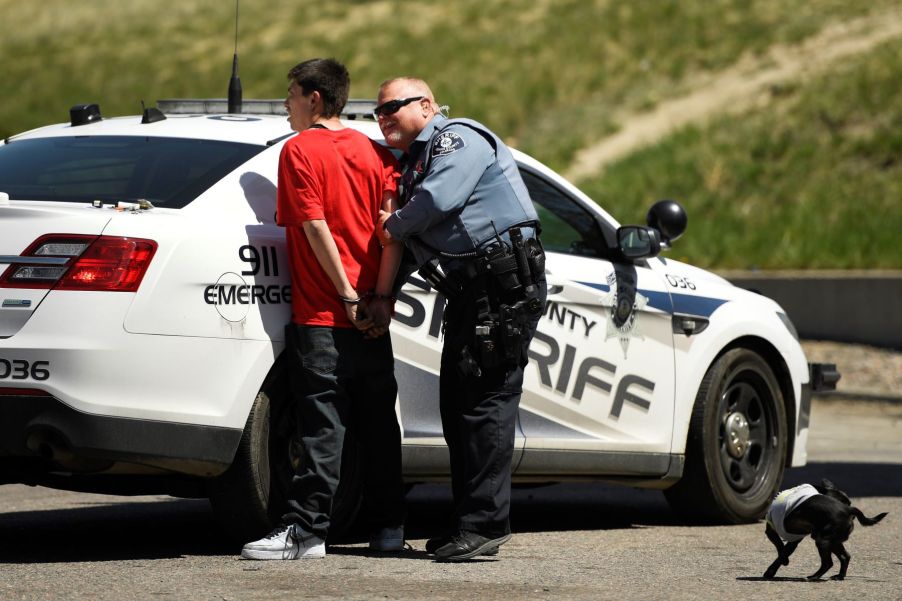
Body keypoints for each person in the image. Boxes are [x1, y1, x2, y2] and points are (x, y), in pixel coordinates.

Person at [374, 77, 547, 561]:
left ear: (426, 106)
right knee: (459, 404)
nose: (383, 116)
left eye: (392, 106)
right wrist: (382, 296)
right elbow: (414, 244)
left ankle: (485, 526)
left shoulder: (456, 139)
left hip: (501, 286)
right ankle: (468, 522)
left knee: (484, 404)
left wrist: (391, 224)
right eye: (377, 111)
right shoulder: (413, 166)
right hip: (474, 291)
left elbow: (438, 202)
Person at [241, 58, 405, 560]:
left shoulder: (299, 150)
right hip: (372, 315)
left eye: (290, 94)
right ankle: (388, 530)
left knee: (322, 427)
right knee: (378, 426)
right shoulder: (374, 150)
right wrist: (379, 298)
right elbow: (391, 231)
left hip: (324, 315)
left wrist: (348, 297)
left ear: (315, 98)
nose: (285, 105)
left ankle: (305, 533)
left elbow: (314, 227)